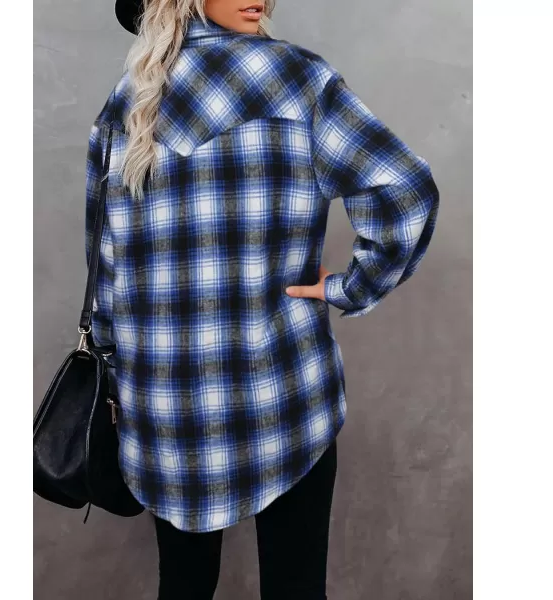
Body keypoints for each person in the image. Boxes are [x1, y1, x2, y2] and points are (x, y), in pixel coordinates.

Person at [85, 1, 440, 598]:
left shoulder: (128, 101)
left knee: (184, 587)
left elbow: (105, 268)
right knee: (295, 588)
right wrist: (350, 286)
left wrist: (116, 365)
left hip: (163, 407)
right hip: (283, 395)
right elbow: (405, 191)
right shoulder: (298, 80)